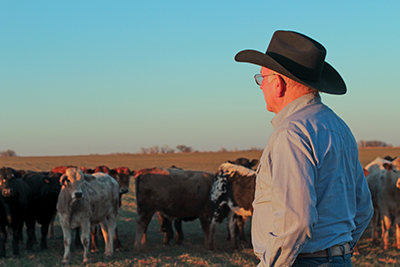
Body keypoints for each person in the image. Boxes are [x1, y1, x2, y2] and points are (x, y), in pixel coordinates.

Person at [234, 30, 373, 267]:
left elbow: (295, 223)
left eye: (262, 78)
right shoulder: (340, 128)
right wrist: (338, 251)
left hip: (301, 261)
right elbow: (364, 209)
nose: (260, 87)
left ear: (277, 84)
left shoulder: (291, 133)